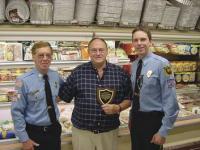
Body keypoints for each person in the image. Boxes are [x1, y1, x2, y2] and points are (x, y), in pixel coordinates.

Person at [58, 37, 132, 150]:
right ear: (89, 52)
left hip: (109, 132)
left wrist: (118, 107)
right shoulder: (78, 72)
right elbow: (64, 96)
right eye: (94, 50)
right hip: (83, 132)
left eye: (101, 50)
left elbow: (128, 98)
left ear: (107, 51)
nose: (98, 53)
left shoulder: (119, 73)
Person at [129, 26, 179, 150]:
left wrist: (163, 131)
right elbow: (135, 94)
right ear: (133, 43)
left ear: (150, 42)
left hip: (153, 121)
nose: (139, 43)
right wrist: (131, 117)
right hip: (136, 120)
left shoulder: (162, 64)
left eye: (143, 39)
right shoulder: (134, 65)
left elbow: (170, 100)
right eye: (136, 40)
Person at [11, 41, 63, 150]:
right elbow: (16, 111)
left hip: (54, 131)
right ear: (33, 57)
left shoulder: (56, 76)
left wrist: (60, 96)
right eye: (41, 55)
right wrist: (24, 139)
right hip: (34, 134)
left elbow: (65, 89)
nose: (45, 58)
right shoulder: (21, 81)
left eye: (48, 55)